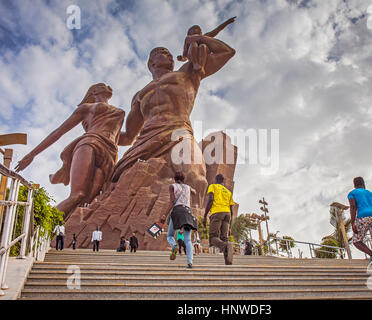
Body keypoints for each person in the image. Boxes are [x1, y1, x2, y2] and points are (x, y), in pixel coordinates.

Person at [110, 31, 235, 211]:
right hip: (145, 142)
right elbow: (128, 136)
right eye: (162, 51)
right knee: (119, 182)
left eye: (170, 53)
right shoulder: (139, 95)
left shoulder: (186, 73)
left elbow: (226, 52)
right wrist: (101, 136)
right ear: (151, 62)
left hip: (179, 132)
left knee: (196, 178)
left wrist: (199, 39)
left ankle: (189, 230)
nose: (168, 54)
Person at [15, 83, 125, 219]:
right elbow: (60, 131)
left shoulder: (119, 112)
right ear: (93, 93)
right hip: (89, 144)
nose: (106, 86)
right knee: (77, 195)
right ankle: (38, 224)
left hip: (110, 153)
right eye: (101, 86)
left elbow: (123, 138)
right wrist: (32, 154)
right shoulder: (86, 108)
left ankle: (67, 233)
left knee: (89, 200)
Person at [161, 171, 198, 269]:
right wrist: (190, 190)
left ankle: (174, 246)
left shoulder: (172, 186)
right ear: (183, 179)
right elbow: (195, 192)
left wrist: (164, 215)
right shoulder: (187, 187)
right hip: (188, 213)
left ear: (174, 178)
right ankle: (190, 262)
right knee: (188, 240)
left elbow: (172, 201)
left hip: (177, 212)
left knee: (170, 235)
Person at [203, 174, 235, 265]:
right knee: (224, 238)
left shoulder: (213, 186)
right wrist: (230, 227)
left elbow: (211, 199)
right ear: (223, 181)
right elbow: (232, 211)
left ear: (216, 180)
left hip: (217, 212)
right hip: (227, 214)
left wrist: (205, 216)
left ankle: (225, 246)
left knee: (213, 237)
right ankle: (228, 261)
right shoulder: (228, 192)